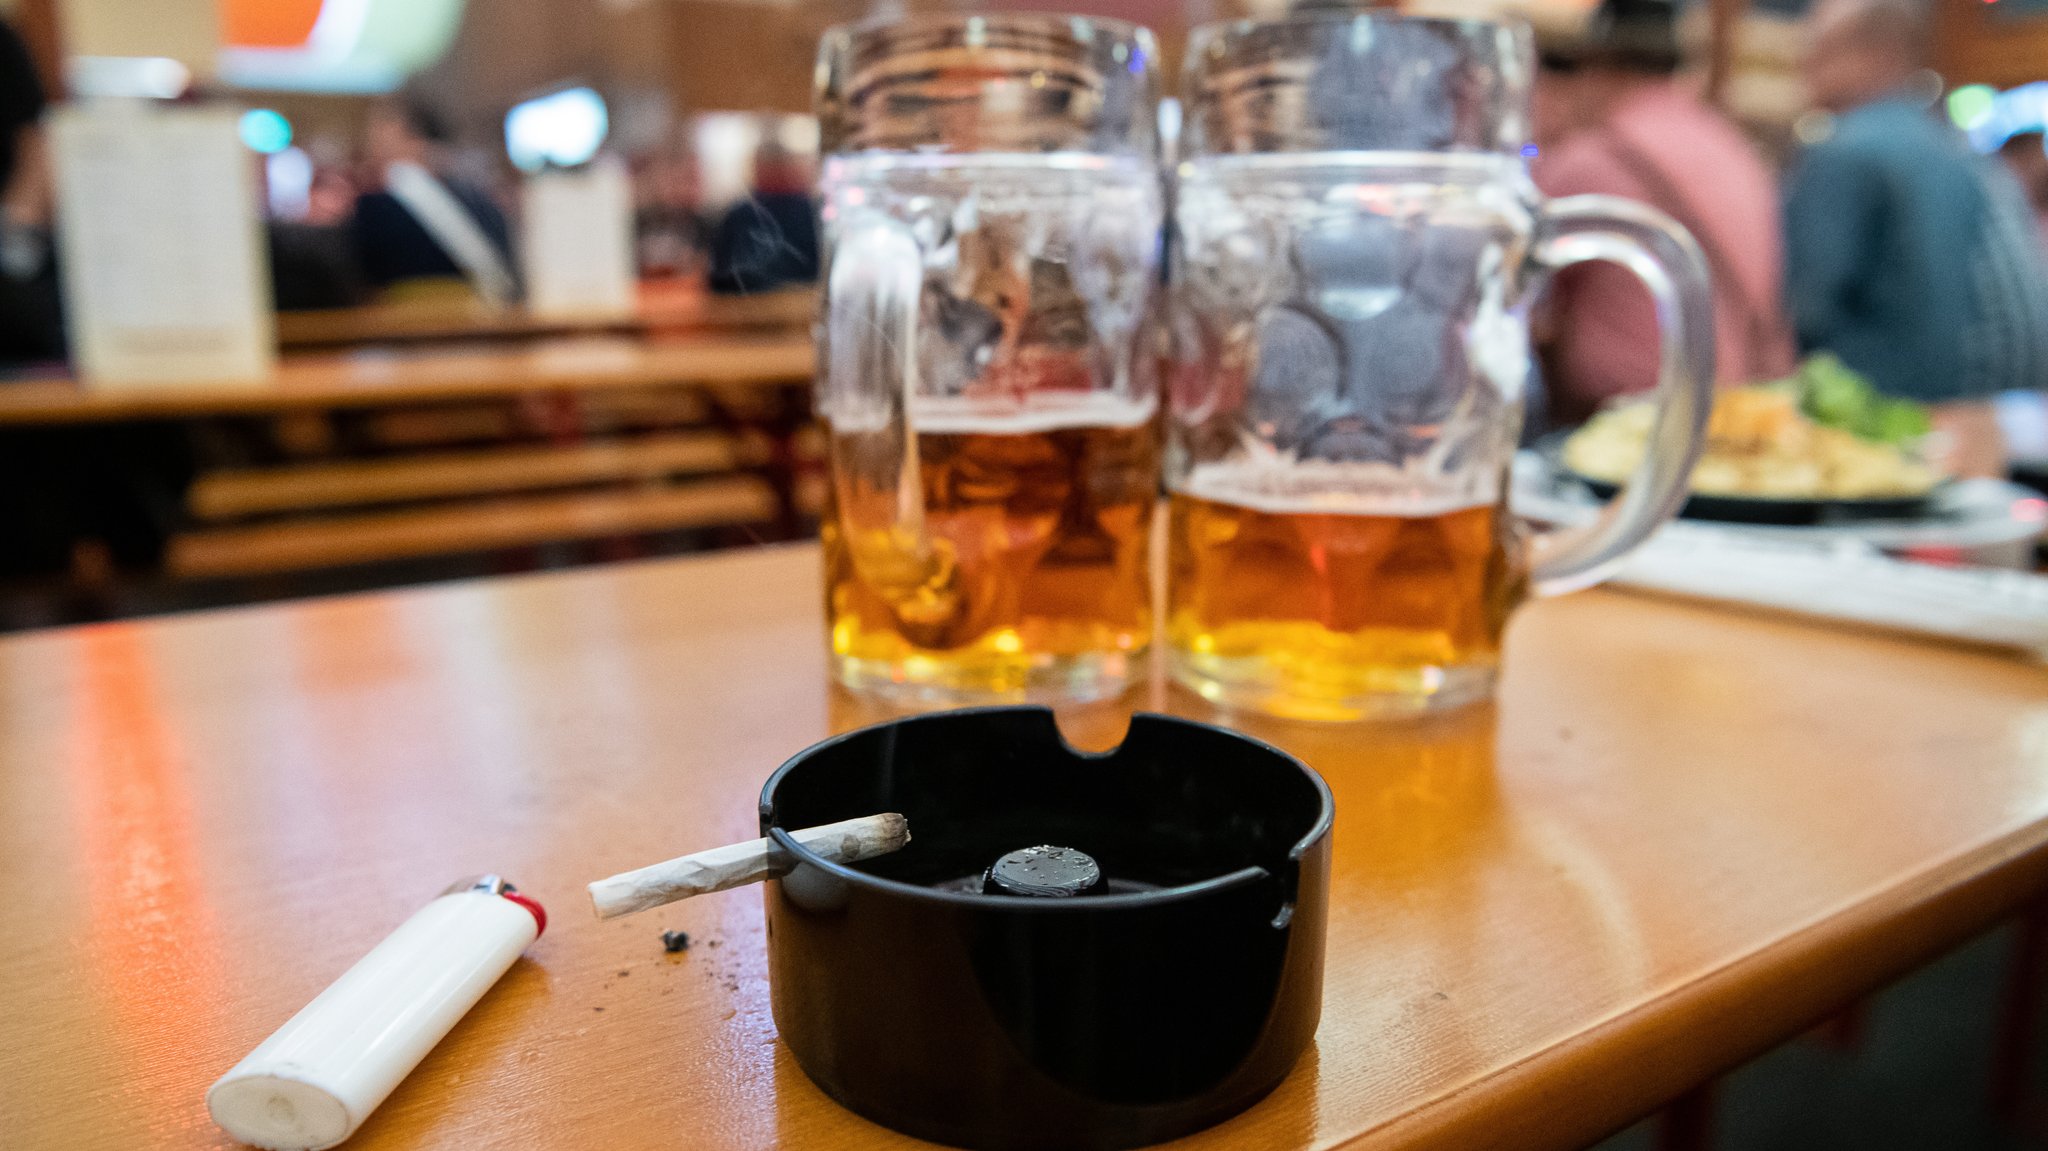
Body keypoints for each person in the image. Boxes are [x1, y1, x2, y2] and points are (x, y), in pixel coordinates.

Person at [1786, 0, 2048, 475]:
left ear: (1874, 53)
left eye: (1818, 51)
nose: (1803, 68)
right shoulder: (1954, 146)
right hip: (1990, 423)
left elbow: (1805, 307)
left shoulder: (1847, 149)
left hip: (1880, 432)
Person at [1531, 0, 1795, 425]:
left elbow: (1514, 292)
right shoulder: (1731, 145)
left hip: (1620, 429)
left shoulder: (1594, 158)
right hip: (1729, 416)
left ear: (1600, 67)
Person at [350, 99, 518, 304]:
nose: (372, 143)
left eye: (380, 131)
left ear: (414, 138)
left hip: (425, 320)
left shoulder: (378, 204)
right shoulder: (474, 194)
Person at [707, 142, 819, 295]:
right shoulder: (810, 211)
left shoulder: (741, 213)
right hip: (796, 306)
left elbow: (719, 276)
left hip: (746, 310)